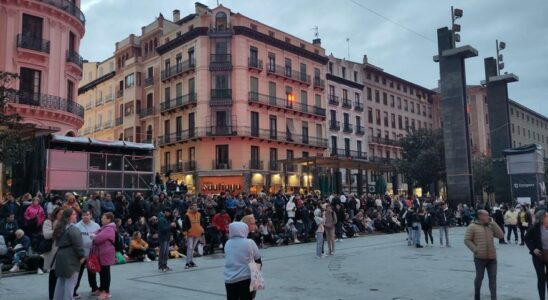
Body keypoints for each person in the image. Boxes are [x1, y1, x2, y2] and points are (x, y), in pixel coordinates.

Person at [464, 209, 504, 300]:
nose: (488, 217)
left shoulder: (490, 225)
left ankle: (494, 298)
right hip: (479, 257)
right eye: (486, 215)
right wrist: (475, 249)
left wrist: (493, 223)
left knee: (493, 279)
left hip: (492, 257)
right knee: (479, 277)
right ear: (480, 216)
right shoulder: (472, 226)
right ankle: (477, 296)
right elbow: (467, 240)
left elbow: (501, 235)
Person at [224, 222, 262, 300]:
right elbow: (258, 260)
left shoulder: (227, 243)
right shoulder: (249, 242)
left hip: (229, 279)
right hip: (245, 278)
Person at [53, 208, 85, 300]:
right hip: (70, 256)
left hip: (61, 254)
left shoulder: (60, 227)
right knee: (70, 281)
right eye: (74, 214)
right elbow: (78, 245)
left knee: (61, 280)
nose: (76, 216)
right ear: (69, 217)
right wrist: (81, 256)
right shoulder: (72, 229)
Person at [73, 210, 100, 298]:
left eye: (87, 215)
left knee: (92, 271)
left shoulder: (96, 226)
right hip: (80, 254)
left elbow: (99, 238)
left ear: (91, 215)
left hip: (92, 253)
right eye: (84, 215)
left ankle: (94, 288)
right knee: (78, 273)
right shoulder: (77, 226)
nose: (85, 216)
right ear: (81, 216)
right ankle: (73, 290)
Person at [91, 212, 116, 300]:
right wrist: (94, 236)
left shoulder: (109, 229)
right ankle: (102, 289)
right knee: (102, 272)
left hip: (105, 253)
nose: (102, 219)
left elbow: (98, 239)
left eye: (104, 218)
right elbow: (96, 235)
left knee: (105, 273)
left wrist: (94, 237)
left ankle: (106, 291)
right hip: (102, 254)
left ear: (109, 219)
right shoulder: (104, 228)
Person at [525, 210, 548, 300]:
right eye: (546, 216)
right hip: (539, 256)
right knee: (541, 277)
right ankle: (542, 298)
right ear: (542, 219)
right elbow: (526, 238)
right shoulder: (534, 228)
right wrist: (533, 249)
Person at [43, 207, 63, 300]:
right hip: (53, 251)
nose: (62, 216)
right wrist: (57, 229)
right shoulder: (48, 222)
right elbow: (46, 235)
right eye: (60, 214)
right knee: (53, 273)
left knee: (62, 275)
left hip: (63, 251)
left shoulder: (65, 223)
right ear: (55, 214)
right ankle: (52, 295)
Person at [183, 203, 204, 269]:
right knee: (190, 248)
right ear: (191, 207)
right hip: (190, 234)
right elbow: (184, 225)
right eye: (194, 206)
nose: (196, 208)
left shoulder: (199, 214)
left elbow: (201, 223)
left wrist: (202, 232)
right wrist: (185, 234)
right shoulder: (187, 215)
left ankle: (191, 261)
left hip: (197, 233)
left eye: (196, 206)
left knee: (192, 248)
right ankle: (187, 262)